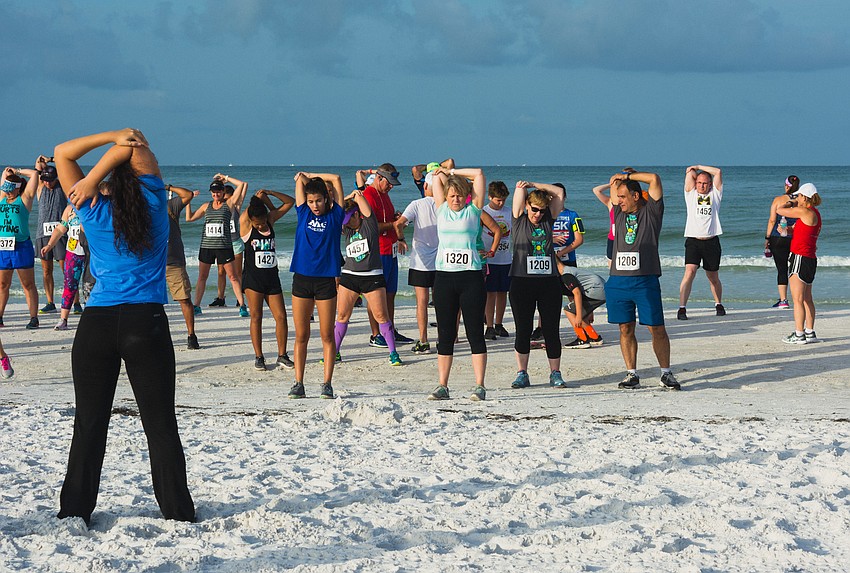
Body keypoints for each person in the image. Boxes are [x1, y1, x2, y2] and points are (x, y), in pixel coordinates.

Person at [54, 128, 194, 525]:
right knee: (160, 423)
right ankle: (177, 512)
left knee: (90, 422)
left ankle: (76, 510)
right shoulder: (155, 204)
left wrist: (92, 173)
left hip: (96, 322)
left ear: (108, 186)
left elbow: (63, 151)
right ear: (144, 184)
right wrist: (112, 155)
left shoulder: (92, 208)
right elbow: (136, 147)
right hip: (144, 321)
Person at [428, 168, 501, 401]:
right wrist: (443, 176)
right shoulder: (441, 210)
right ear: (446, 197)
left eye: (459, 195)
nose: (455, 199)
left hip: (470, 277)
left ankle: (479, 385)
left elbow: (479, 174)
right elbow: (435, 179)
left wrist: (451, 171)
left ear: (466, 195)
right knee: (446, 333)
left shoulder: (473, 210)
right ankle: (442, 385)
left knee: (474, 333)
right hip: (444, 277)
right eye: (452, 195)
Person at [605, 171, 679, 390]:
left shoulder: (652, 212)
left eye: (623, 197)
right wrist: (618, 180)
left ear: (636, 196)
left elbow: (655, 179)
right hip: (618, 281)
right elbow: (613, 187)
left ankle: (666, 373)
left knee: (656, 328)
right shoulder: (618, 212)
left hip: (645, 281)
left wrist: (630, 174)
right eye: (617, 197)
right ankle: (631, 374)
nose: (618, 201)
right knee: (625, 328)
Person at [288, 172, 345, 399]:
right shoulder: (303, 212)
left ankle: (326, 383)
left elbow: (337, 180)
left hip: (325, 282)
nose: (314, 205)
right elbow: (299, 182)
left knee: (327, 335)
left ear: (327, 199)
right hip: (301, 279)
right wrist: (304, 178)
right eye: (311, 201)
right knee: (302, 335)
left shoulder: (335, 216)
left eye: (318, 200)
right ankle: (298, 383)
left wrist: (313, 175)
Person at [507, 181, 567, 389]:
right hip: (522, 282)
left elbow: (558, 192)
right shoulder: (518, 220)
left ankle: (555, 373)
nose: (538, 214)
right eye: (534, 210)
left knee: (551, 329)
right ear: (526, 206)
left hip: (548, 282)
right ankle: (522, 373)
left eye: (541, 211)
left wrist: (536, 185)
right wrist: (525, 186)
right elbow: (519, 191)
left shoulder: (548, 220)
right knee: (523, 329)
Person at [334, 190, 403, 366]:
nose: (346, 223)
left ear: (356, 214)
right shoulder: (346, 229)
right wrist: (346, 199)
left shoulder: (369, 224)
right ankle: (334, 351)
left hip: (372, 277)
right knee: (342, 315)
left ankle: (393, 353)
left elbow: (363, 204)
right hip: (350, 276)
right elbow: (334, 208)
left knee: (381, 315)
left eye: (349, 219)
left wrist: (355, 195)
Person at [356, 164, 413, 347]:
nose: (390, 187)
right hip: (376, 252)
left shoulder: (385, 196)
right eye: (389, 183)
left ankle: (390, 330)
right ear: (379, 178)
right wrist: (394, 223)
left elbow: (387, 221)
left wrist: (396, 220)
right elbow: (372, 226)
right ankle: (375, 334)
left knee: (390, 294)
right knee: (375, 296)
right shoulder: (369, 195)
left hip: (391, 250)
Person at [239, 189, 295, 370]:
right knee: (256, 316)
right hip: (253, 280)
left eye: (263, 223)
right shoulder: (246, 225)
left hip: (272, 278)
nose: (261, 226)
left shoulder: (270, 220)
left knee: (281, 316)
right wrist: (255, 199)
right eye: (258, 224)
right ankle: (259, 357)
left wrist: (269, 194)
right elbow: (248, 213)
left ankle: (282, 355)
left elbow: (289, 202)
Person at [186, 176, 248, 317]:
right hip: (207, 247)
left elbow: (242, 184)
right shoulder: (206, 206)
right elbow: (189, 218)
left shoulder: (229, 204)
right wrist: (189, 200)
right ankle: (196, 306)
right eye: (213, 192)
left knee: (233, 277)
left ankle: (242, 305)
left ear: (223, 191)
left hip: (224, 246)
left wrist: (226, 178)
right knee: (202, 276)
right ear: (211, 192)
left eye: (219, 191)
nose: (216, 194)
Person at [530, 182, 584, 341]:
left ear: (563, 197)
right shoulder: (543, 215)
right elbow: (534, 235)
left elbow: (579, 239)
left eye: (556, 196)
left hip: (567, 261)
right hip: (547, 261)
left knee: (573, 295)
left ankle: (581, 330)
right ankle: (540, 328)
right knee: (545, 295)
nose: (553, 199)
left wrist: (561, 252)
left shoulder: (572, 215)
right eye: (550, 197)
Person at [394, 171, 439, 354]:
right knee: (443, 303)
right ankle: (446, 339)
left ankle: (424, 340)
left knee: (422, 302)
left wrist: (401, 239)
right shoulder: (445, 205)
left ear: (426, 186)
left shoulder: (417, 204)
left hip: (421, 260)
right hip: (441, 260)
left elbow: (398, 224)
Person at [678, 165, 725, 320]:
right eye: (699, 182)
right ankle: (682, 308)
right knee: (689, 272)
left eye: (705, 183)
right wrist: (693, 170)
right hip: (693, 240)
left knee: (713, 277)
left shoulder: (715, 195)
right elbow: (689, 173)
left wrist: (698, 166)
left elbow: (717, 172)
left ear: (710, 184)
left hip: (711, 241)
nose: (701, 186)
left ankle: (718, 304)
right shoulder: (690, 194)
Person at [776, 183, 821, 344]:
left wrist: (790, 201)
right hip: (810, 258)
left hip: (800, 258)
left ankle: (799, 334)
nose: (797, 198)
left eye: (799, 196)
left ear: (804, 197)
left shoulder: (804, 211)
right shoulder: (814, 214)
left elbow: (779, 209)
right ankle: (809, 332)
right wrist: (787, 230)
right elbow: (798, 230)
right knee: (807, 298)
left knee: (797, 299)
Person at [0, 166, 40, 328]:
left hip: (21, 246)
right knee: (2, 284)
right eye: (6, 189)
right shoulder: (2, 198)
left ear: (17, 189)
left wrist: (17, 171)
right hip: (3, 247)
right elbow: (4, 175)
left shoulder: (24, 199)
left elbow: (34, 174)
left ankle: (33, 318)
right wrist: (7, 173)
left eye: (10, 189)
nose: (8, 192)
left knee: (28, 284)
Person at [164, 183, 201, 349]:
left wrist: (168, 187)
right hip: (150, 264)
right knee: (148, 302)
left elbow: (188, 195)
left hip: (173, 261)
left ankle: (191, 334)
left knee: (184, 299)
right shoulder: (140, 208)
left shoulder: (169, 206)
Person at [40, 203, 86, 331]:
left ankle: (91, 317)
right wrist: (49, 245)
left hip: (91, 252)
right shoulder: (69, 209)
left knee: (91, 286)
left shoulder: (95, 205)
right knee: (69, 285)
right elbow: (60, 229)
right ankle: (63, 320)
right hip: (73, 252)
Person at [34, 156, 70, 315]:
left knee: (66, 269)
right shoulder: (40, 187)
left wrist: (52, 159)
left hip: (60, 233)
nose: (48, 182)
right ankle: (50, 302)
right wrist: (42, 161)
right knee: (46, 270)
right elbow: (38, 168)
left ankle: (73, 302)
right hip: (43, 233)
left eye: (50, 180)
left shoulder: (61, 187)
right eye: (45, 179)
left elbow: (65, 169)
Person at [211, 177, 248, 308]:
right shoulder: (220, 207)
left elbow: (244, 184)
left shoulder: (236, 207)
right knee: (221, 272)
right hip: (223, 243)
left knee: (237, 273)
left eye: (228, 198)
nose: (226, 201)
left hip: (235, 243)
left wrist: (226, 178)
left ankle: (240, 299)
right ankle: (221, 298)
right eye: (224, 198)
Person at [764, 175, 800, 309]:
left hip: (777, 238)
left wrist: (767, 238)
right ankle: (798, 298)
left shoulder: (778, 200)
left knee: (782, 269)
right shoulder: (801, 201)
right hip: (795, 237)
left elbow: (772, 220)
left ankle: (784, 300)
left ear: (786, 186)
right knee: (794, 269)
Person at [482, 181, 512, 340]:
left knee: (502, 292)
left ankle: (499, 324)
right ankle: (490, 326)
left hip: (505, 258)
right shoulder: (483, 211)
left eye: (503, 200)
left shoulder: (509, 212)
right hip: (489, 259)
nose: (501, 203)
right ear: (490, 197)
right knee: (490, 293)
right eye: (497, 200)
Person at [560, 266, 606, 349]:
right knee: (577, 311)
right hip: (601, 290)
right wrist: (588, 311)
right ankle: (595, 338)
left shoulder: (566, 274)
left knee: (568, 310)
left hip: (596, 291)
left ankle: (582, 339)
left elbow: (577, 293)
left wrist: (579, 316)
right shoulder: (570, 270)